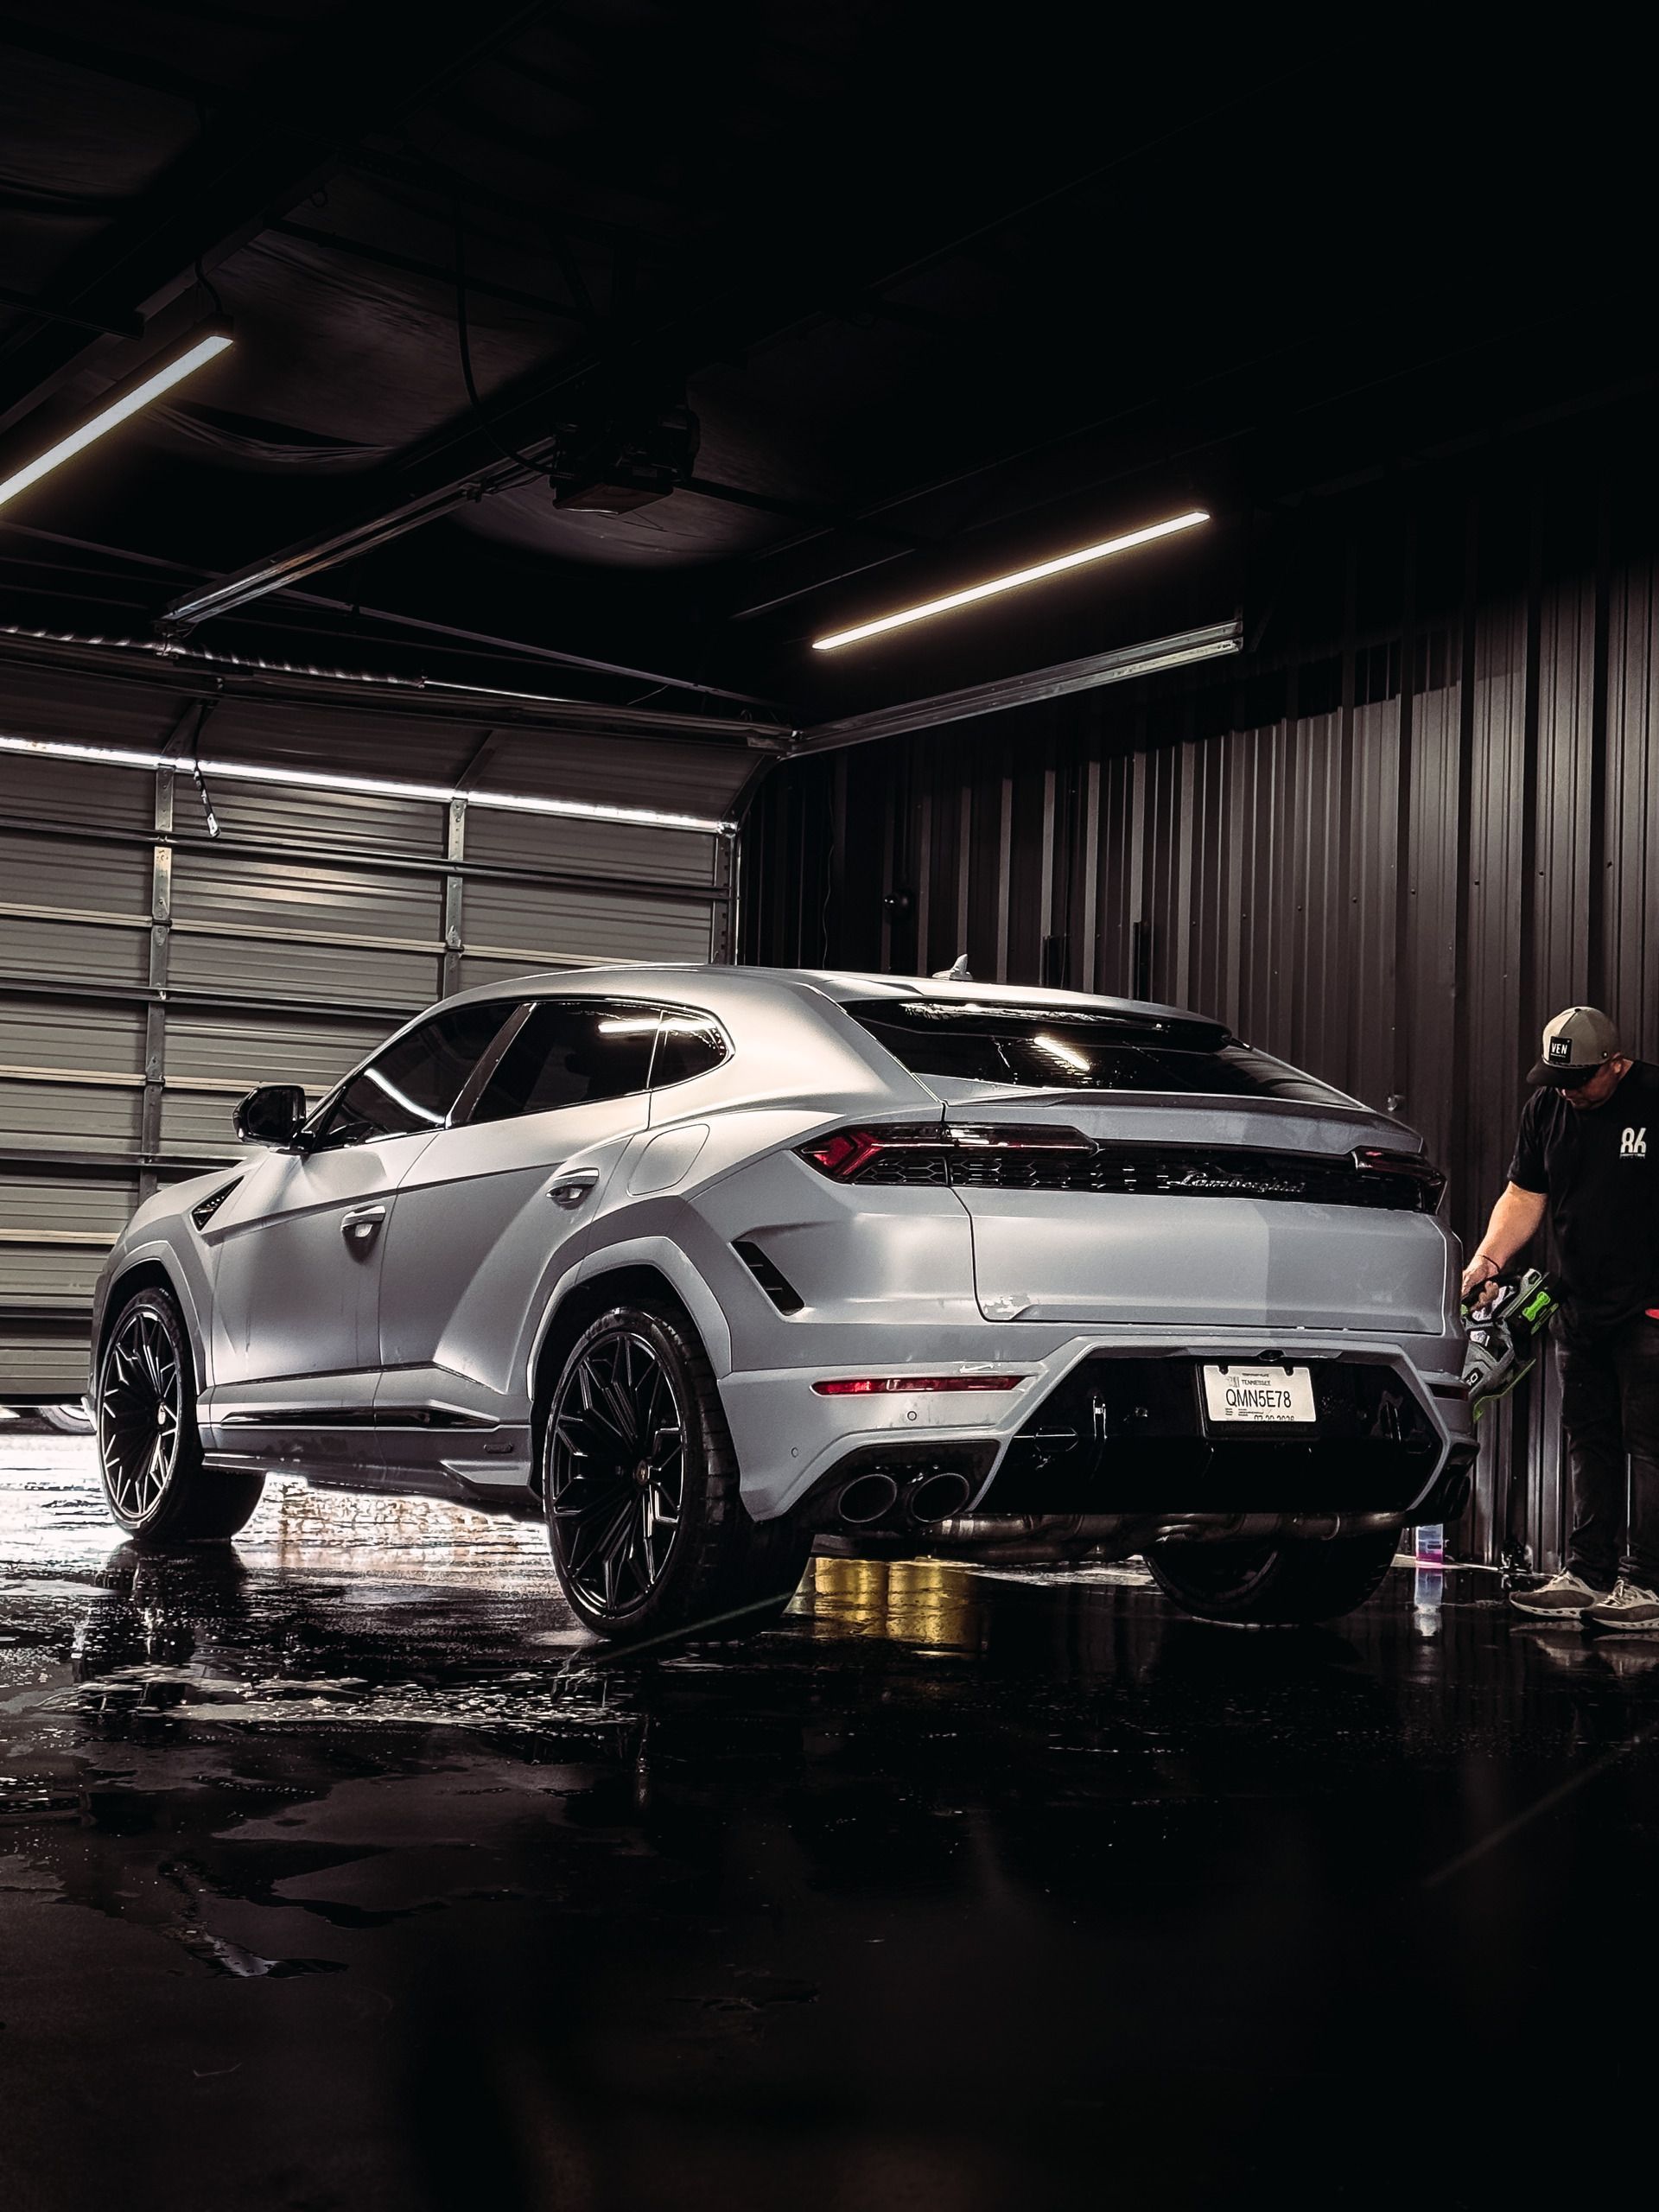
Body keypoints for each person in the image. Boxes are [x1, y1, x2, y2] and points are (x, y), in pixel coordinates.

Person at [1460, 1007, 1659, 1626]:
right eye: (1556, 1078)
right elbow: (1524, 1195)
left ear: (1617, 1064)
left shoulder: (1655, 1098)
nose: (1567, 1090)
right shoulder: (1547, 1108)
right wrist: (1489, 1259)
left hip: (1650, 1307)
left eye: (1580, 1080)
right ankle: (1589, 1575)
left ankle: (1649, 1585)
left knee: (1651, 1446)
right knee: (1588, 1438)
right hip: (1581, 1305)